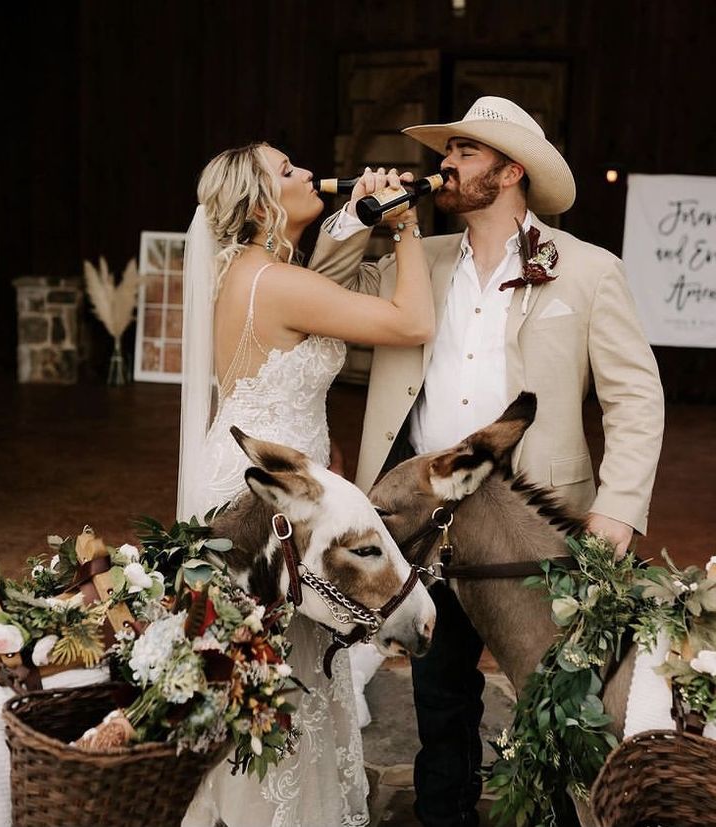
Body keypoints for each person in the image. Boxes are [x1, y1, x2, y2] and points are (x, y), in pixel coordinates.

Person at [310, 96, 665, 827]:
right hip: (429, 525)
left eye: (465, 153)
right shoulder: (419, 260)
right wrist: (361, 214)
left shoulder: (590, 272)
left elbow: (637, 399)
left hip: (539, 529)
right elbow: (325, 290)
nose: (445, 164)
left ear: (511, 172)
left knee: (560, 701)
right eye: (449, 152)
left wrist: (617, 512)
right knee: (440, 696)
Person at [176, 143, 434, 827]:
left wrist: (354, 219)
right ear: (262, 204)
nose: (303, 171)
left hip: (260, 477)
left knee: (272, 670)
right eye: (285, 171)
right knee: (277, 670)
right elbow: (412, 322)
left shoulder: (254, 274)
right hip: (266, 500)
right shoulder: (277, 283)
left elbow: (323, 281)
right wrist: (404, 225)